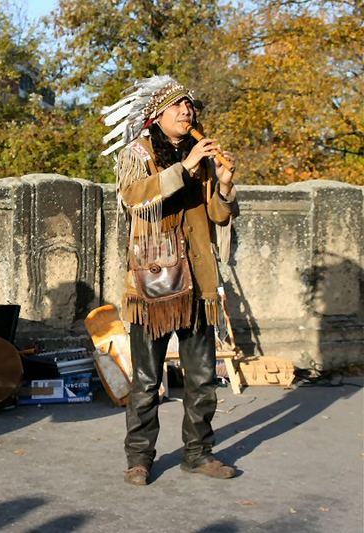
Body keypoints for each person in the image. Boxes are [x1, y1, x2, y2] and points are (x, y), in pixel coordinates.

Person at [101, 76, 239, 486]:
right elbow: (134, 197)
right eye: (178, 106)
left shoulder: (204, 159)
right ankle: (139, 459)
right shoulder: (139, 153)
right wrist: (185, 167)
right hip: (153, 283)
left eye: (190, 107)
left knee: (202, 379)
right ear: (156, 115)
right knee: (146, 380)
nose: (187, 112)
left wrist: (226, 184)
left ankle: (198, 453)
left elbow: (217, 216)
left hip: (198, 281)